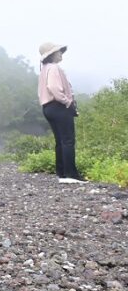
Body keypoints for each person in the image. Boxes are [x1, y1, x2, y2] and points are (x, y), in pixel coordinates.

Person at [37, 42, 84, 184]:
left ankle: (62, 173)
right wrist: (66, 101)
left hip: (48, 107)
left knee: (60, 141)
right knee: (68, 140)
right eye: (58, 52)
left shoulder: (44, 69)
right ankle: (71, 174)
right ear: (52, 54)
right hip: (58, 106)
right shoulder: (54, 68)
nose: (60, 53)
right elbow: (53, 87)